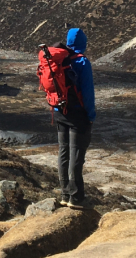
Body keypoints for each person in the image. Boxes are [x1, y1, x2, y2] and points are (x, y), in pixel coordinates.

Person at [54, 27, 96, 208]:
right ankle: (76, 198)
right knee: (76, 156)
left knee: (63, 153)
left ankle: (64, 195)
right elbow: (87, 94)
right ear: (83, 43)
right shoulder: (82, 62)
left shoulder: (60, 59)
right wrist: (91, 115)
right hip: (78, 115)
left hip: (60, 112)